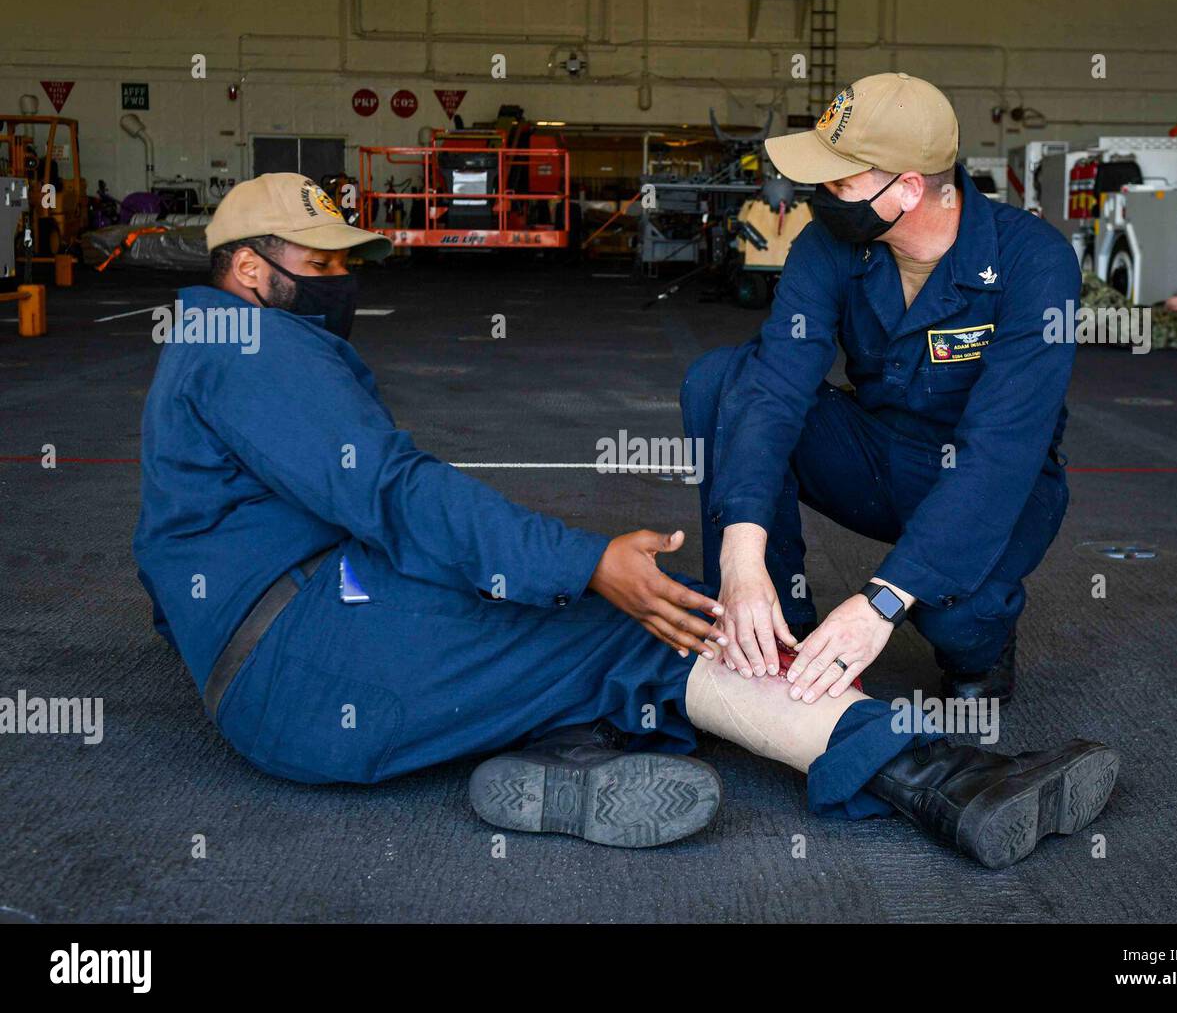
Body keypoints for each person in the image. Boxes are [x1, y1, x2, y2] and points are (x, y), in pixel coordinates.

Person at [133, 171, 1117, 868]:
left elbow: (169, 562)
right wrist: (587, 560)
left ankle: (563, 753)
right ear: (250, 270)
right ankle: (937, 778)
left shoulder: (213, 349)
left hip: (294, 650)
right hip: (315, 653)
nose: (343, 277)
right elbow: (395, 496)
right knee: (652, 618)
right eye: (322, 260)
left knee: (586, 628)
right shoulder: (248, 347)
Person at [681, 73, 1079, 705]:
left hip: (992, 476)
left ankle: (980, 645)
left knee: (954, 618)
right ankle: (773, 637)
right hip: (875, 452)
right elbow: (777, 387)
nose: (822, 195)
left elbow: (1002, 451)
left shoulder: (1035, 262)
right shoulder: (830, 244)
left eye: (840, 182)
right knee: (721, 378)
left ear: (909, 187)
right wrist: (741, 555)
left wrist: (879, 603)